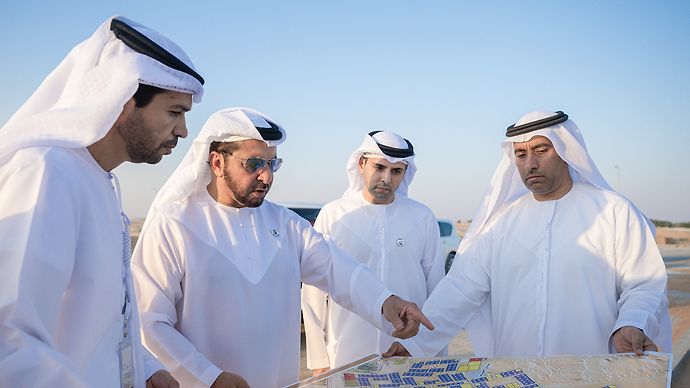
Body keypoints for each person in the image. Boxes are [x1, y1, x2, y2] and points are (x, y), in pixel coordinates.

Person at [131, 107, 434, 387]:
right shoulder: (174, 224)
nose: (267, 175)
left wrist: (386, 301)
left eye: (271, 163)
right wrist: (209, 376)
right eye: (254, 164)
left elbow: (338, 269)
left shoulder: (286, 224)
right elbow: (150, 321)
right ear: (217, 162)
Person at [0, 16, 204, 387]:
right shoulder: (46, 172)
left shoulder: (102, 183)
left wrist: (148, 369)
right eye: (174, 112)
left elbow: (108, 321)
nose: (183, 131)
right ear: (123, 100)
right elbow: (9, 343)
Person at [384, 110, 672, 359]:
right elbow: (460, 290)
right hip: (517, 373)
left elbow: (645, 283)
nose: (530, 163)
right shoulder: (501, 223)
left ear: (564, 150)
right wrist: (417, 345)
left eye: (541, 150)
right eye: (520, 154)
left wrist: (631, 324)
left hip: (592, 371)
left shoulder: (614, 212)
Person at [301, 131, 446, 375]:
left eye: (396, 171)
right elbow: (314, 292)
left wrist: (431, 351)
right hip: (347, 350)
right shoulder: (334, 214)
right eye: (379, 167)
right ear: (361, 164)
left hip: (409, 352)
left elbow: (437, 288)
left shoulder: (422, 217)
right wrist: (318, 359)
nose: (386, 178)